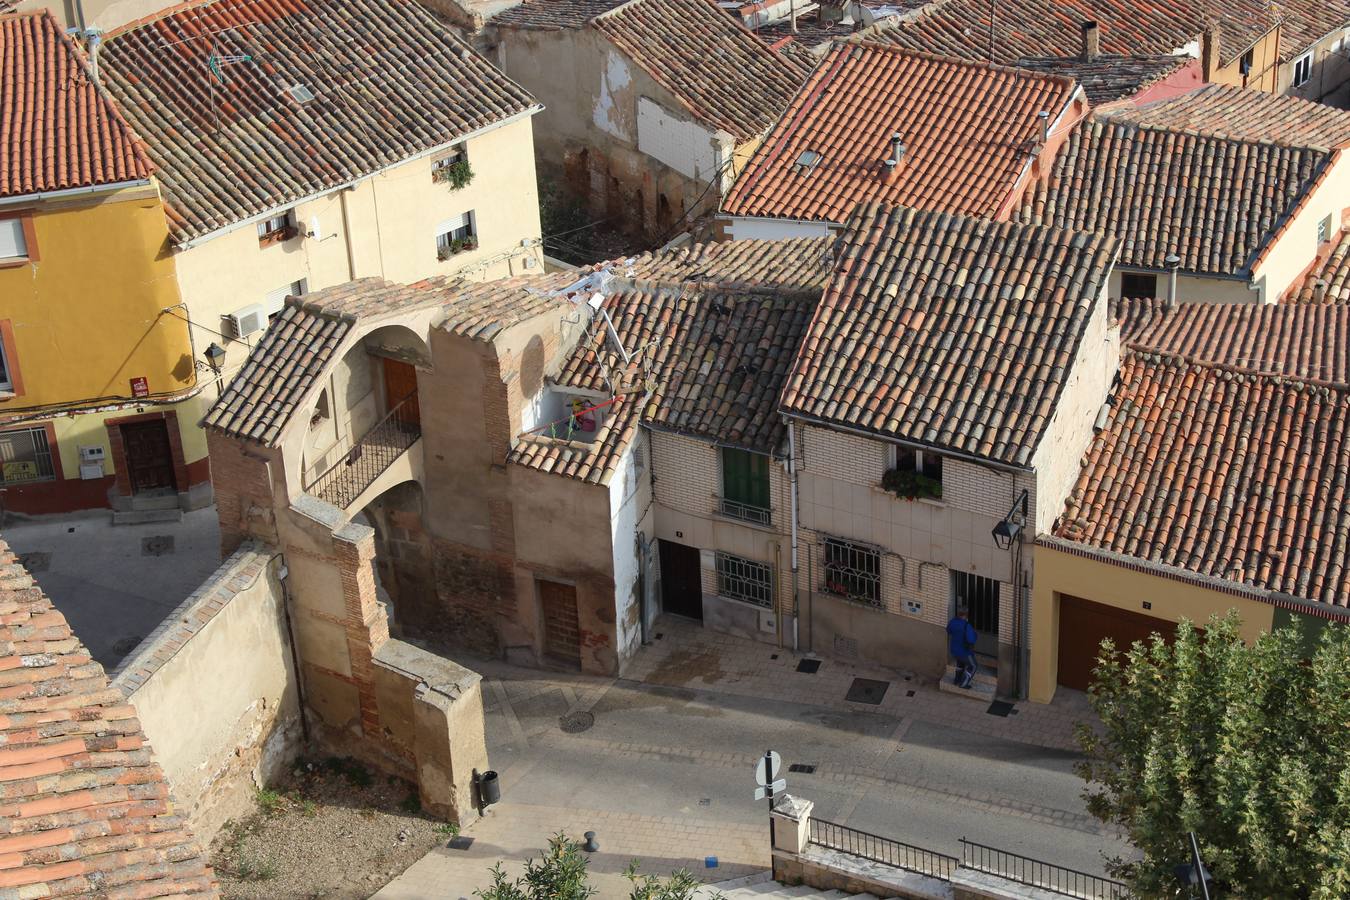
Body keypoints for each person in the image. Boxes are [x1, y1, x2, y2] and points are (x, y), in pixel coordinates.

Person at [946, 607, 978, 688]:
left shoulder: (952, 622)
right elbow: (971, 640)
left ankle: (956, 680)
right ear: (966, 615)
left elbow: (948, 630)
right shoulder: (966, 625)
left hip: (954, 650)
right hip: (964, 652)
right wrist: (975, 634)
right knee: (973, 666)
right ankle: (963, 684)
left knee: (960, 664)